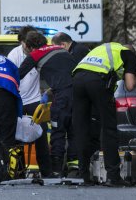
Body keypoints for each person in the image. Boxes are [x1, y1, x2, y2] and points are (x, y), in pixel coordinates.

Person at [72, 43, 136, 186]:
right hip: (97, 81)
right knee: (108, 128)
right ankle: (113, 177)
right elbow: (130, 85)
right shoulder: (128, 54)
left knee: (81, 127)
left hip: (77, 79)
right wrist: (135, 73)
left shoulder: (105, 49)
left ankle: (84, 176)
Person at [19, 31, 77, 177]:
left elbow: (17, 75)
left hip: (63, 95)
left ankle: (56, 170)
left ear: (29, 46)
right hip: (79, 92)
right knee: (74, 130)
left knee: (58, 129)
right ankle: (75, 169)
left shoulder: (35, 55)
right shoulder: (60, 49)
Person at [7, 26, 52, 177]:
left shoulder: (38, 54)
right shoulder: (14, 55)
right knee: (14, 138)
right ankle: (14, 171)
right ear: (24, 44)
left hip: (34, 101)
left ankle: (47, 173)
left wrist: (47, 93)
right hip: (17, 100)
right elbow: (11, 78)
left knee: (41, 138)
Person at [51, 32, 90, 173]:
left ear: (63, 45)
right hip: (77, 99)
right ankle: (73, 166)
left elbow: (68, 76)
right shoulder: (80, 50)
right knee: (74, 132)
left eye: (56, 49)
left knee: (60, 132)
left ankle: (58, 167)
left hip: (69, 99)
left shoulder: (76, 53)